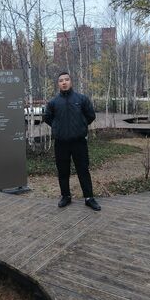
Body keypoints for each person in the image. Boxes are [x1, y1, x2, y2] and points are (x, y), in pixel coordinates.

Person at [44, 71, 101, 211]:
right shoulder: (53, 102)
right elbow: (47, 118)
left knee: (83, 170)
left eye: (66, 80)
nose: (64, 82)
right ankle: (66, 196)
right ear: (58, 84)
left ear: (71, 82)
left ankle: (89, 198)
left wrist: (81, 125)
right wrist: (57, 127)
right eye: (61, 80)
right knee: (63, 171)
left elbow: (91, 115)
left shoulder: (81, 99)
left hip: (79, 142)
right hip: (61, 143)